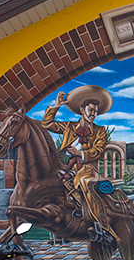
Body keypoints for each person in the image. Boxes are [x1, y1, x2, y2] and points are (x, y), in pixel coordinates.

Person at [42, 85, 112, 234]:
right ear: (82, 110)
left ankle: (101, 225)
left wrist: (80, 154)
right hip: (68, 167)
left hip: (87, 169)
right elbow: (47, 124)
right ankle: (57, 227)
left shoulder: (100, 131)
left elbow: (99, 151)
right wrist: (56, 106)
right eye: (91, 110)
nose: (93, 114)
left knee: (85, 182)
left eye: (95, 111)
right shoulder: (69, 127)